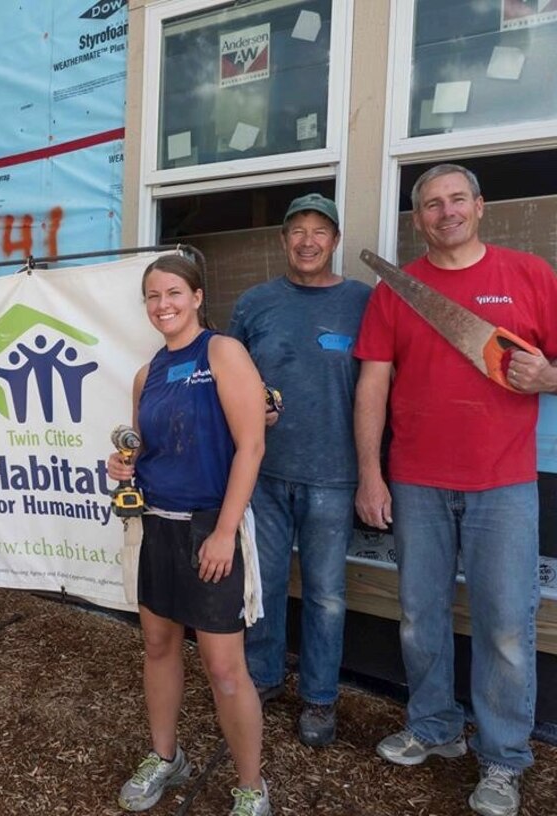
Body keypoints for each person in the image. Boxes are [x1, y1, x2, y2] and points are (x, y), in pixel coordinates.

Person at [354, 164, 557, 816]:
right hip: (417, 482)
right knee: (419, 616)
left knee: (504, 626)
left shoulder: (529, 275)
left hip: (504, 485)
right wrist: (369, 472)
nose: (446, 212)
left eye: (457, 199)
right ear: (419, 220)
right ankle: (437, 729)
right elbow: (373, 386)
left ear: (480, 206)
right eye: (433, 205)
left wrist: (547, 376)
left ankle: (502, 761)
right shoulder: (398, 291)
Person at [108, 255, 270, 815]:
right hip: (156, 525)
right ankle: (165, 755)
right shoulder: (145, 373)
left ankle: (251, 788)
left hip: (210, 527)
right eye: (152, 296)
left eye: (173, 292)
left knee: (225, 668)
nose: (163, 305)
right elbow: (144, 449)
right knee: (158, 645)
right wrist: (124, 466)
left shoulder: (223, 353)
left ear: (198, 296)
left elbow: (251, 446)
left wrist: (225, 532)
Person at [229, 193, 371, 746]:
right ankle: (261, 677)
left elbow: (383, 383)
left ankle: (319, 697)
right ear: (283, 240)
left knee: (326, 594)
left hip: (334, 475)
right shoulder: (255, 303)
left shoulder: (363, 302)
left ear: (334, 241)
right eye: (297, 231)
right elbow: (227, 378)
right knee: (259, 584)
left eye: (319, 231)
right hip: (261, 472)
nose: (307, 241)